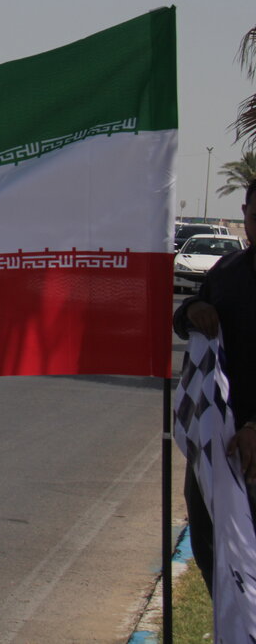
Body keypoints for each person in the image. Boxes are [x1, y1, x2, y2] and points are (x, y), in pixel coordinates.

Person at [174, 178, 256, 596]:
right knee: (211, 544)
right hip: (218, 440)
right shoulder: (228, 272)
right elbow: (185, 320)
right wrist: (194, 308)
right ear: (244, 215)